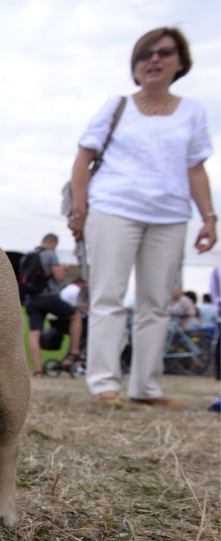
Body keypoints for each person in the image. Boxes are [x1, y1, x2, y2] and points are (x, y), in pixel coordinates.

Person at [67, 27, 217, 408]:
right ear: (135, 66)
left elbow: (195, 169)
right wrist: (80, 210)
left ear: (179, 62)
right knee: (108, 296)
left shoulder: (193, 111)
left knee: (156, 303)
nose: (154, 59)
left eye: (164, 53)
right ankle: (104, 383)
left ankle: (147, 387)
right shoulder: (117, 106)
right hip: (113, 209)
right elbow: (84, 157)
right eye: (145, 54)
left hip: (169, 216)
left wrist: (209, 218)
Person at [23, 233, 83, 377]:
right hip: (48, 297)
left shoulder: (28, 256)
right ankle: (74, 351)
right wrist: (63, 269)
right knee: (76, 316)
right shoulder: (50, 254)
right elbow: (59, 277)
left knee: (34, 333)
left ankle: (38, 371)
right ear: (53, 244)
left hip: (31, 300)